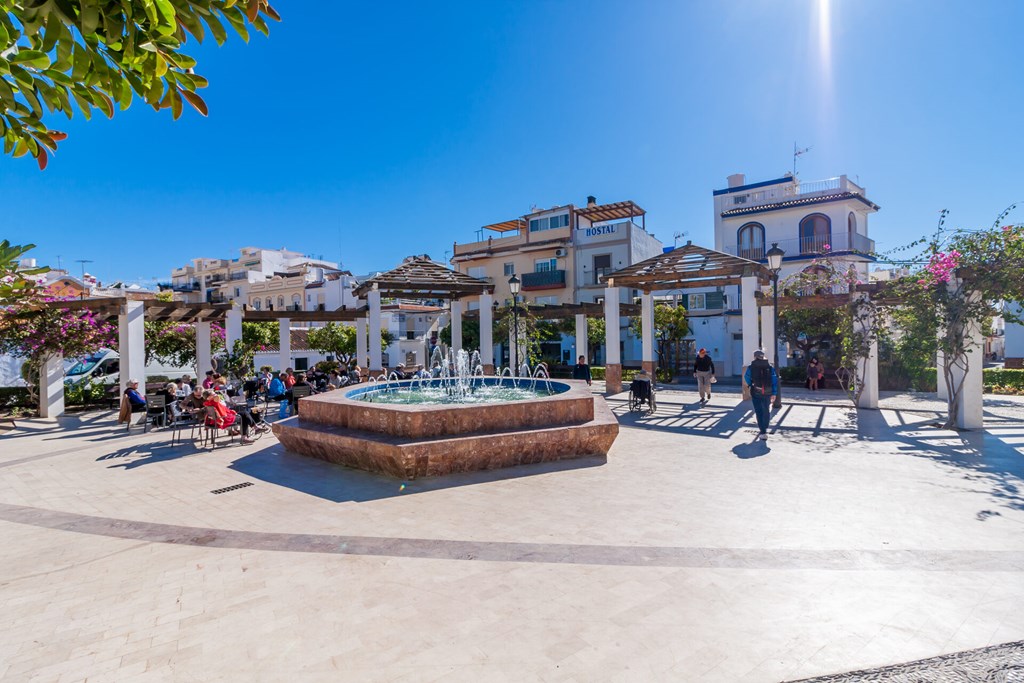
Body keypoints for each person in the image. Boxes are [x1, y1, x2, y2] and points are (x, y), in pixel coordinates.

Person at [744, 350, 778, 441]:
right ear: (763, 356)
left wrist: (751, 384)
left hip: (756, 392)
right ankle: (765, 427)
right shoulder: (770, 367)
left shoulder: (751, 367)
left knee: (758, 411)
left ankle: (762, 432)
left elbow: (746, 377)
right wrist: (774, 393)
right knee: (766, 409)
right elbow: (774, 380)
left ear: (754, 357)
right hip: (768, 392)